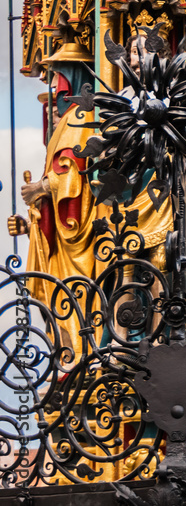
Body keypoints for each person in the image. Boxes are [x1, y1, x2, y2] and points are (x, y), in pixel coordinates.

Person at [8, 71, 99, 360]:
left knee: (75, 299)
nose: (51, 118)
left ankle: (80, 353)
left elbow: (75, 181)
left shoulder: (79, 123)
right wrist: (28, 224)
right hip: (57, 246)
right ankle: (68, 354)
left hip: (79, 241)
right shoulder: (58, 141)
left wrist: (41, 187)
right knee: (58, 302)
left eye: (54, 108)